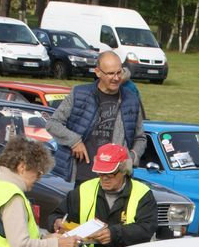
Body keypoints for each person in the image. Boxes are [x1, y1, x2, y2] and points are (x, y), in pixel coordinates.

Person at [48, 51, 146, 184]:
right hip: (82, 176)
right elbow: (53, 124)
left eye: (119, 72)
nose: (116, 78)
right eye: (111, 73)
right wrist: (74, 141)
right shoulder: (79, 94)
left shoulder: (131, 99)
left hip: (115, 178)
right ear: (98, 72)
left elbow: (140, 137)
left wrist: (132, 157)